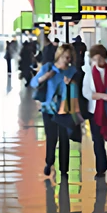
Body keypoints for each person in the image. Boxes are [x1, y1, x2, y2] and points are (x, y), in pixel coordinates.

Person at [31, 44, 80, 179]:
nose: (67, 60)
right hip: (49, 108)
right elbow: (34, 83)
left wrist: (71, 83)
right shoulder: (48, 67)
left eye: (70, 58)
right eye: (65, 57)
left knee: (64, 138)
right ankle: (49, 162)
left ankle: (64, 169)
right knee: (51, 137)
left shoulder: (72, 71)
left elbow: (77, 89)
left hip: (65, 109)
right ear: (59, 56)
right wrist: (46, 76)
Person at [83, 44, 107, 177]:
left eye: (100, 59)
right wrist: (103, 96)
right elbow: (87, 93)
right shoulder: (89, 73)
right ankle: (101, 168)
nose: (97, 62)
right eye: (94, 59)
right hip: (95, 112)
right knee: (97, 141)